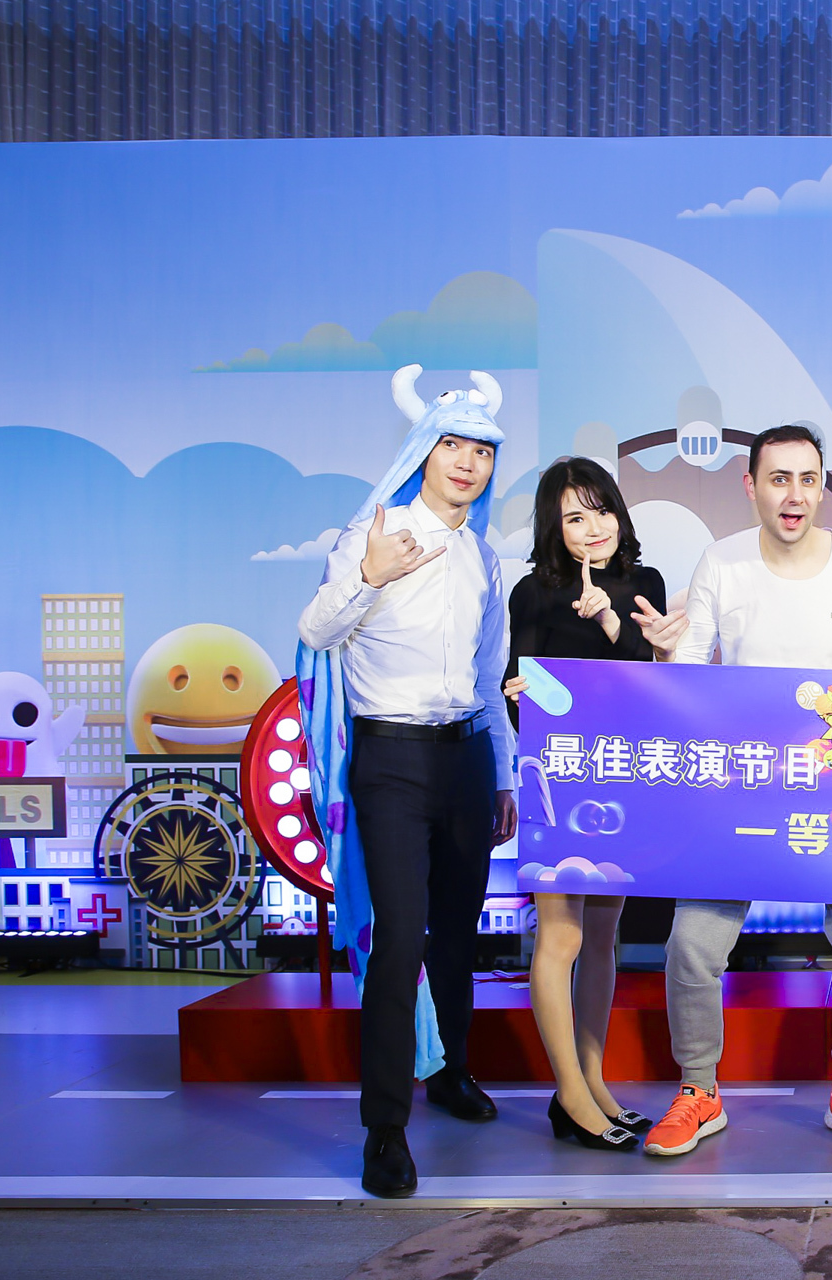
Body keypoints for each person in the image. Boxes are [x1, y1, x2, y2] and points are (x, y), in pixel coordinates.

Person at [629, 424, 832, 1157]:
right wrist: (667, 656)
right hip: (743, 785)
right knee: (691, 943)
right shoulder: (721, 561)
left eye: (808, 479)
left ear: (822, 489)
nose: (795, 495)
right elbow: (691, 670)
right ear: (751, 485)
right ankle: (699, 1091)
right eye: (779, 478)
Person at [297, 366, 518, 1199]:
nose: (467, 463)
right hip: (389, 759)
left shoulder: (483, 556)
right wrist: (372, 573)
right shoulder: (374, 532)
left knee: (459, 933)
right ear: (423, 451)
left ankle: (452, 1072)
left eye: (482, 451)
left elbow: (489, 678)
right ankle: (385, 1129)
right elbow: (315, 629)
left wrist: (502, 775)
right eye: (452, 445)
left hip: (466, 758)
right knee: (399, 939)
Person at [502, 457, 665, 1152]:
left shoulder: (645, 584)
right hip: (557, 782)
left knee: (604, 937)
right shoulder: (532, 592)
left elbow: (646, 680)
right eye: (574, 517)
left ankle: (594, 1083)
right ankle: (568, 1092)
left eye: (601, 511)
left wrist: (608, 619)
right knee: (560, 937)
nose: (593, 527)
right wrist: (519, 694)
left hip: (621, 779)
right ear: (554, 528)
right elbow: (521, 693)